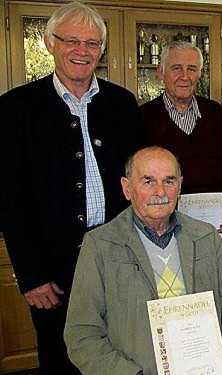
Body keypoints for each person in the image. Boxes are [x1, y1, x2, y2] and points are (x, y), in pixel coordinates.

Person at [0, 2, 143, 373]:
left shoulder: (123, 105)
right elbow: (9, 199)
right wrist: (31, 275)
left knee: (123, 351)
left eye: (93, 43)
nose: (83, 51)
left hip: (119, 258)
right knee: (60, 356)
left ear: (102, 50)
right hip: (53, 269)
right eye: (72, 41)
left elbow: (140, 182)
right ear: (50, 43)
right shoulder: (16, 108)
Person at [64, 146, 222, 375]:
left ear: (180, 186)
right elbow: (82, 335)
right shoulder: (99, 245)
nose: (160, 192)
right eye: (148, 181)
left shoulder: (206, 236)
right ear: (127, 188)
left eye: (169, 181)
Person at [141, 41, 222, 254]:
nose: (184, 76)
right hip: (160, 233)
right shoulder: (141, 118)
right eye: (176, 68)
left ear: (199, 74)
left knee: (212, 286)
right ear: (160, 72)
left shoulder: (217, 115)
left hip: (213, 232)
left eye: (192, 68)